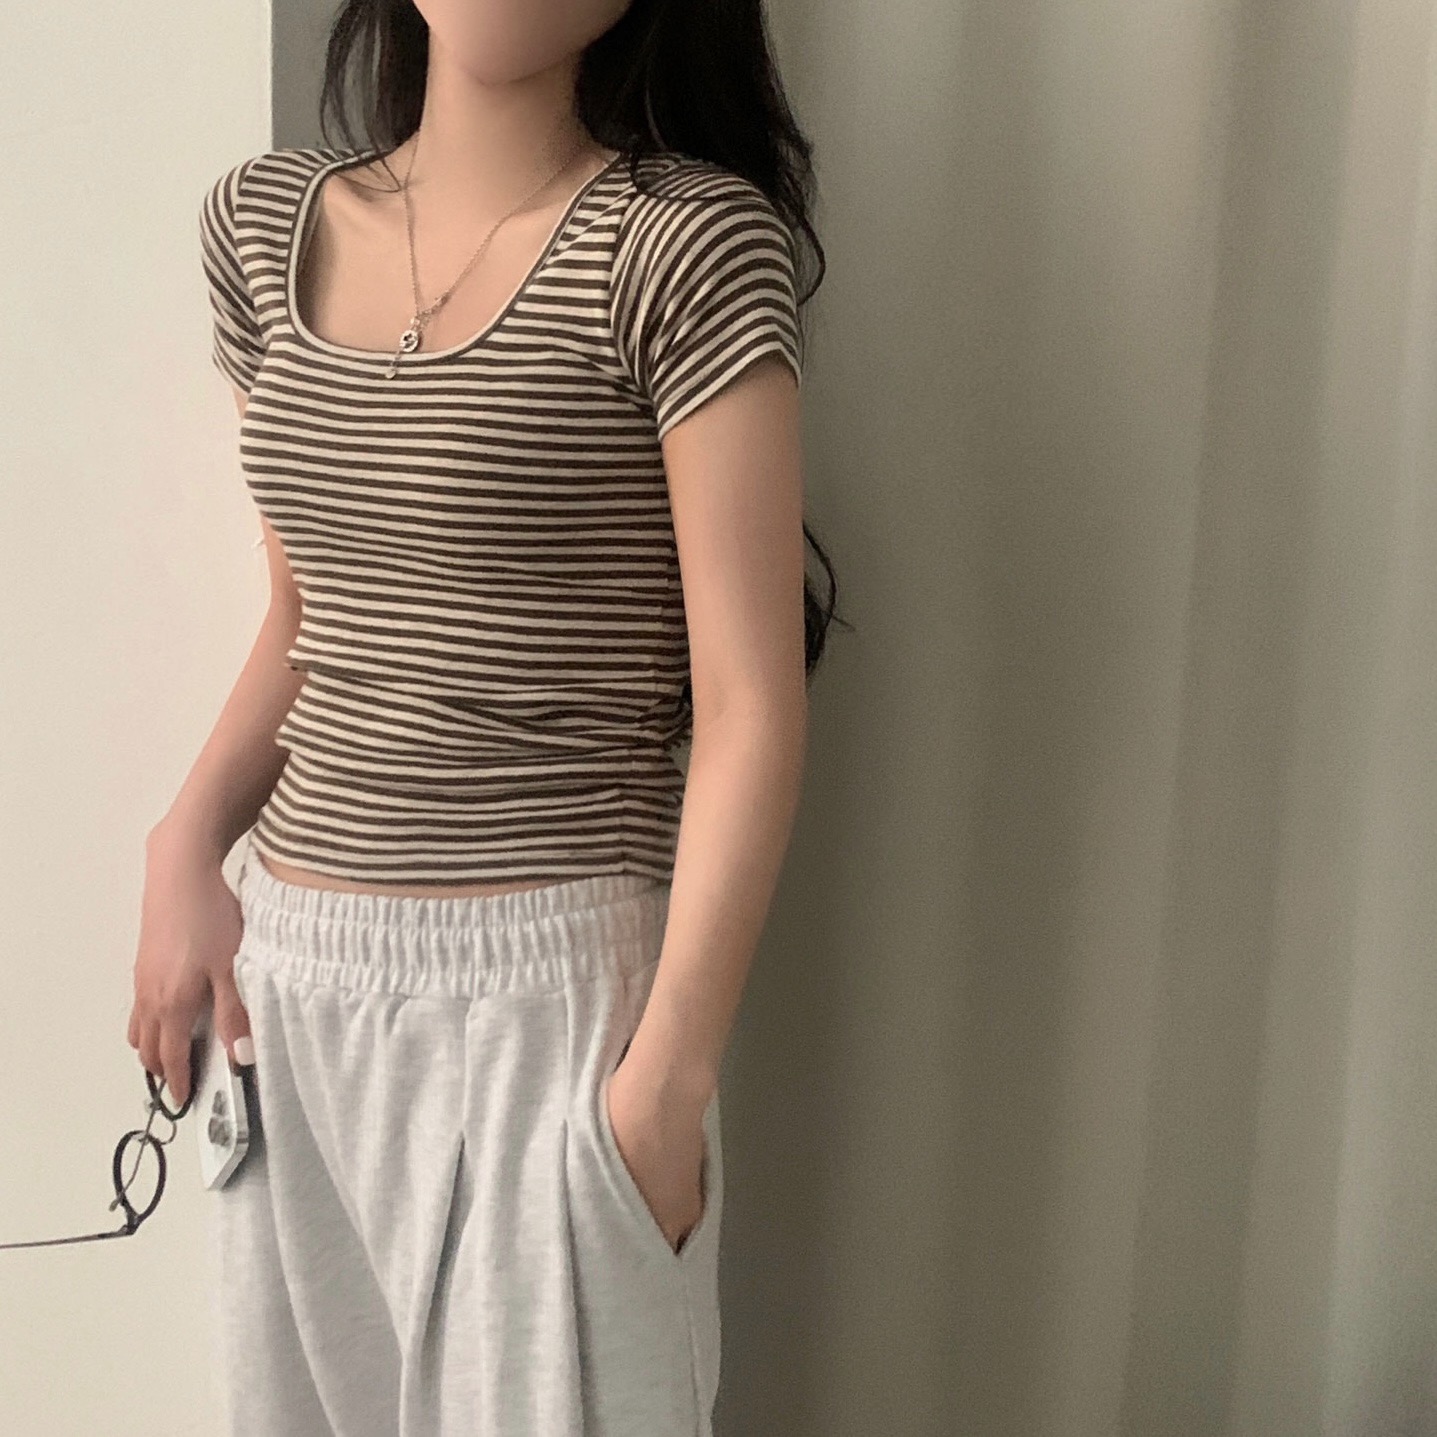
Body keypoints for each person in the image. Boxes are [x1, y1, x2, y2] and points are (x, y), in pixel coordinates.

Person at [130, 0, 837, 1431]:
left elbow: (751, 704)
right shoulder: (259, 229)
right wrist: (183, 844)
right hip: (288, 999)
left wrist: (663, 1086)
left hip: (548, 1014)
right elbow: (316, 620)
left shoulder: (681, 247)